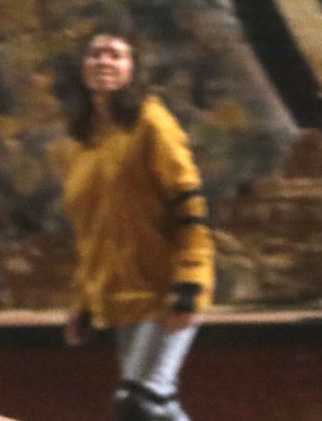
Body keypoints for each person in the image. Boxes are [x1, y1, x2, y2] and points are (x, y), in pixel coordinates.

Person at [61, 32, 215, 421]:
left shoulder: (151, 122)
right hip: (123, 296)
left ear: (133, 68)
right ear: (83, 67)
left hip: (164, 288)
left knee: (140, 404)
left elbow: (189, 204)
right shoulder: (86, 142)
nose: (104, 62)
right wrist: (83, 302)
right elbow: (92, 233)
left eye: (116, 54)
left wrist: (191, 280)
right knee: (154, 409)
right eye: (96, 54)